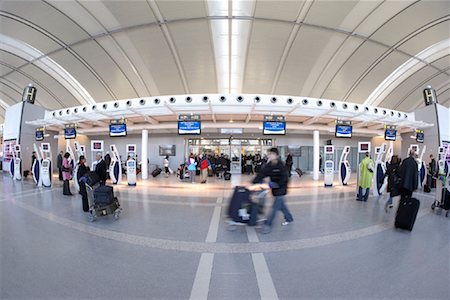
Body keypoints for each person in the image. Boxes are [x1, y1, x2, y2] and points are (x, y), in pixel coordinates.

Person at [252, 147, 293, 234]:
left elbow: (285, 178)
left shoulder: (281, 165)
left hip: (281, 188)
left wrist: (276, 184)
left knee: (275, 207)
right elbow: (262, 173)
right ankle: (289, 218)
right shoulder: (269, 165)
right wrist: (253, 182)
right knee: (282, 205)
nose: (269, 156)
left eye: (271, 154)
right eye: (269, 154)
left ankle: (268, 224)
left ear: (276, 155)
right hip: (274, 189)